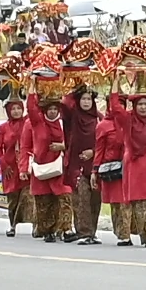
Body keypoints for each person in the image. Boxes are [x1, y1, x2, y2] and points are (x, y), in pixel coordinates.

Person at [105, 86, 146, 246]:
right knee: (139, 203)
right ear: (134, 106)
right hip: (135, 167)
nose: (143, 107)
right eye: (140, 104)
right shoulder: (129, 119)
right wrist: (114, 83)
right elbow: (116, 108)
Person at [26, 96, 75, 241]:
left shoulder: (64, 124)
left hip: (60, 168)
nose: (53, 112)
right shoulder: (37, 123)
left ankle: (66, 229)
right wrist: (31, 88)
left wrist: (62, 147)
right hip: (42, 169)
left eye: (55, 109)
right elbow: (31, 108)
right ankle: (48, 231)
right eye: (50, 109)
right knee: (44, 203)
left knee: (64, 198)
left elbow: (74, 143)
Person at [64, 84, 103, 244]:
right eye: (83, 99)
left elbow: (103, 141)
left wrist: (92, 152)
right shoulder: (72, 116)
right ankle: (83, 232)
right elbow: (65, 103)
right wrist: (77, 81)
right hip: (76, 165)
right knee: (81, 199)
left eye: (89, 99)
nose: (86, 102)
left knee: (95, 199)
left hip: (94, 165)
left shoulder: (98, 118)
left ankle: (92, 232)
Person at [0, 93, 33, 235]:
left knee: (29, 196)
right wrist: (4, 165)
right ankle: (13, 225)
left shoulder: (28, 123)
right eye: (13, 109)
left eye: (18, 108)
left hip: (26, 166)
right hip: (10, 169)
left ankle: (34, 225)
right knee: (13, 199)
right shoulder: (3, 128)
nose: (16, 111)